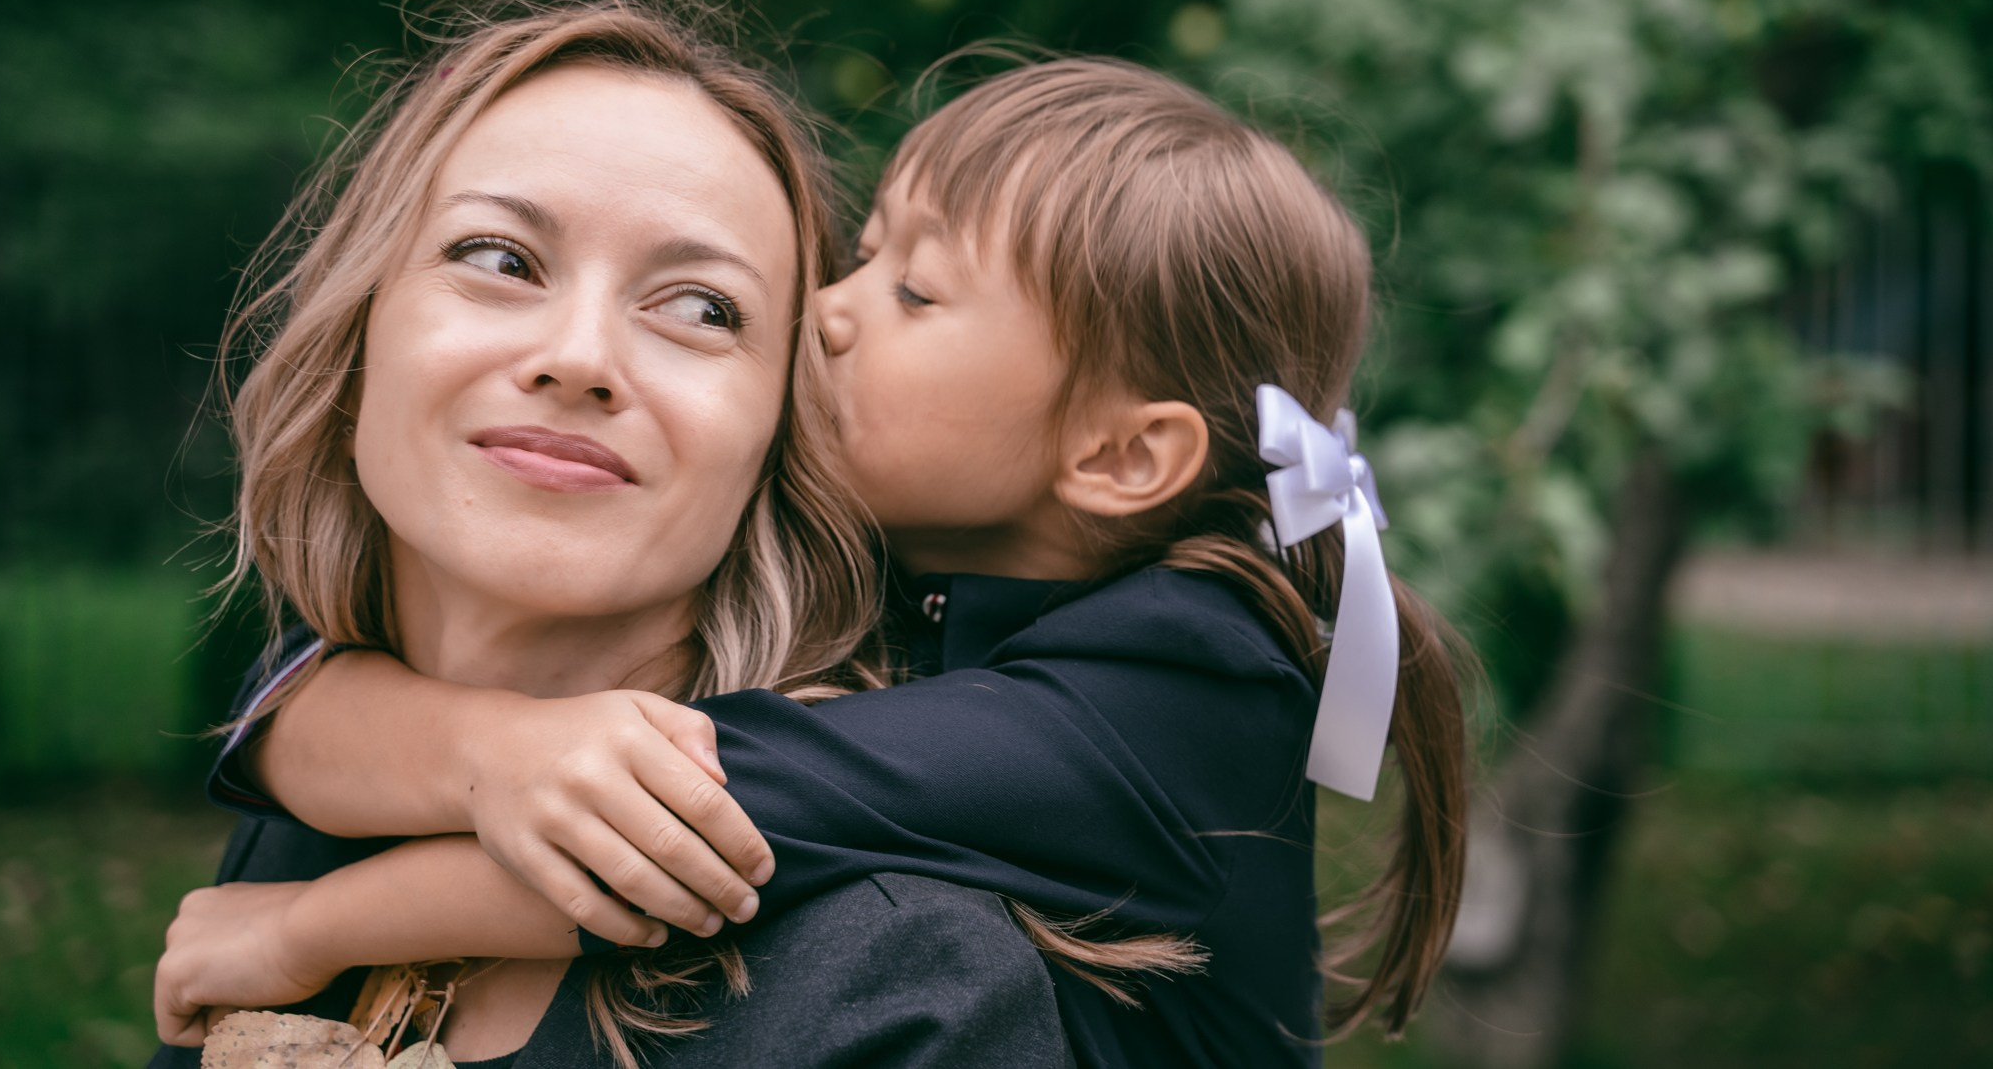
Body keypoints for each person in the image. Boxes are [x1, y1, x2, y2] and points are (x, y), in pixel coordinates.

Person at [157, 55, 1475, 1068]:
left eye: (913, 293)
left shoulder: (1178, 684)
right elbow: (293, 690)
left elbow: (678, 830)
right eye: (859, 256)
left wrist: (300, 936)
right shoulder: (970, 604)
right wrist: (477, 747)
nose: (828, 317)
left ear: (1124, 459)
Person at [143, 0, 1071, 1068]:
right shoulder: (305, 817)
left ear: (783, 428)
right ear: (359, 334)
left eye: (701, 308)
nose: (580, 357)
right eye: (499, 256)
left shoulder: (894, 982)